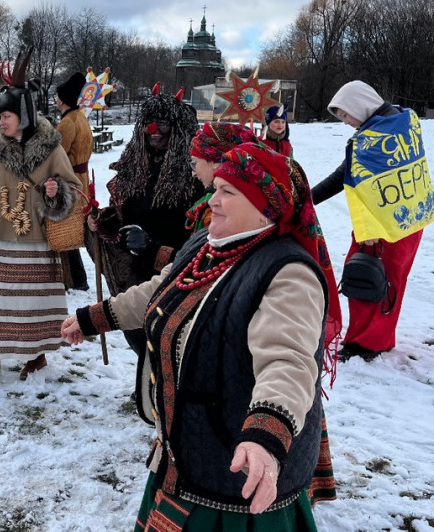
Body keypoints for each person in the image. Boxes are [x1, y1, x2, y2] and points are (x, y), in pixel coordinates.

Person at [62, 142, 342, 530]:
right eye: (217, 189)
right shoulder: (207, 244)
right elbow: (159, 289)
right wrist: (95, 318)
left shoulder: (287, 272)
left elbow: (288, 361)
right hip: (188, 454)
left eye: (229, 192)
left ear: (265, 206)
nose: (215, 200)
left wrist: (266, 435)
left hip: (235, 481)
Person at [84, 89, 201, 388]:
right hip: (136, 271)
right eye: (148, 121)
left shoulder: (196, 177)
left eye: (162, 122)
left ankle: (170, 393)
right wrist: (106, 222)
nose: (153, 129)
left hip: (176, 272)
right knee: (138, 332)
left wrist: (155, 249)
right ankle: (153, 386)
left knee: (172, 338)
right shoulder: (135, 166)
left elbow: (201, 239)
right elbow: (125, 214)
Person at [0, 68, 82, 385]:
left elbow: (72, 191)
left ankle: (36, 356)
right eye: (0, 117)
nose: (1, 122)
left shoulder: (52, 149)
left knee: (35, 306)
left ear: (23, 114)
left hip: (41, 242)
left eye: (7, 115)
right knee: (3, 303)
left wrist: (55, 192)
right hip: (6, 240)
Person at [312, 80, 426, 362]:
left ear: (359, 105)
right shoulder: (404, 122)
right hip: (412, 217)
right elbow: (349, 173)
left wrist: (370, 229)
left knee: (365, 279)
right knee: (391, 281)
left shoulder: (372, 139)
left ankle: (365, 343)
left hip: (382, 225)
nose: (345, 121)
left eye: (344, 114)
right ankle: (380, 338)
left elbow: (346, 178)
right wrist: (307, 198)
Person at [55, 71, 93, 291]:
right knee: (70, 229)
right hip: (80, 178)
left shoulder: (68, 122)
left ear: (61, 99)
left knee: (65, 230)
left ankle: (76, 278)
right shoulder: (81, 117)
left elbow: (58, 154)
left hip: (69, 180)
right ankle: (76, 278)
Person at [187, 122, 260, 233]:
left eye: (194, 163)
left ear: (216, 162)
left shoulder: (217, 211)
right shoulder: (249, 198)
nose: (194, 173)